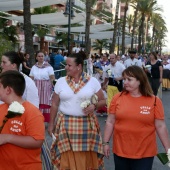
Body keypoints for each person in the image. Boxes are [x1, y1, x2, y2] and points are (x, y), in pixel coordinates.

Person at [103, 65, 170, 170]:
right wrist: (105, 143)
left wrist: (168, 149)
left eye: (129, 79)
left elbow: (161, 126)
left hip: (145, 153)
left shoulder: (155, 101)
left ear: (140, 81)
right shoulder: (118, 98)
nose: (125, 82)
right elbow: (110, 122)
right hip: (121, 151)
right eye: (124, 79)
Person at [48, 51, 105, 170]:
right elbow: (54, 104)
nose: (66, 67)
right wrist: (51, 124)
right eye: (66, 65)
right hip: (65, 125)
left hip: (86, 126)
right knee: (66, 157)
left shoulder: (92, 81)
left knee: (86, 158)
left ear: (79, 67)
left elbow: (103, 101)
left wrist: (94, 106)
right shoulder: (61, 81)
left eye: (69, 65)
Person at [0, 70, 45, 169]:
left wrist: (7, 138)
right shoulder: (1, 108)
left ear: (8, 90)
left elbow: (37, 141)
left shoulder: (32, 112)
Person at [29, 51, 55, 122]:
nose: (41, 57)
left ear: (44, 57)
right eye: (39, 56)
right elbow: (31, 78)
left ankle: (45, 119)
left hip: (46, 87)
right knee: (37, 102)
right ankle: (37, 118)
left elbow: (52, 78)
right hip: (36, 87)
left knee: (45, 102)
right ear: (36, 57)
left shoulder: (48, 67)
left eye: (42, 56)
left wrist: (54, 86)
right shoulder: (34, 67)